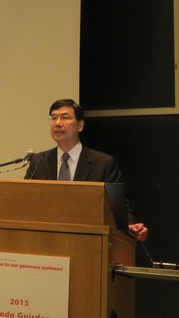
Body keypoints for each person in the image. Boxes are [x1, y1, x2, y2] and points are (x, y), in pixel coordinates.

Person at [24, 98, 149, 242]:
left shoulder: (103, 163)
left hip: (88, 241)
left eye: (65, 117)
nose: (58, 123)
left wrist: (130, 226)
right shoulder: (38, 162)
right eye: (53, 118)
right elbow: (26, 202)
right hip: (46, 241)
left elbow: (119, 207)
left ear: (80, 125)